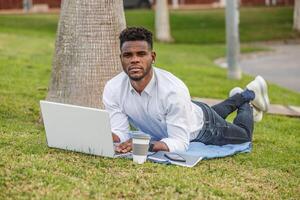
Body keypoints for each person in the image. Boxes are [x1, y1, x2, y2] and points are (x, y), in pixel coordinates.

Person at [102, 27, 270, 153]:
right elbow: (121, 132)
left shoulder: (173, 91)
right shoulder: (113, 88)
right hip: (188, 111)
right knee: (212, 111)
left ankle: (247, 99)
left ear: (152, 57)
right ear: (121, 58)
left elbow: (180, 143)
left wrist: (144, 146)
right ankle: (239, 96)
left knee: (244, 136)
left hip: (204, 128)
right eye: (128, 55)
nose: (134, 60)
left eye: (141, 54)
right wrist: (107, 137)